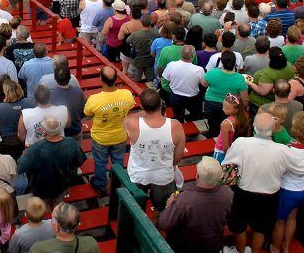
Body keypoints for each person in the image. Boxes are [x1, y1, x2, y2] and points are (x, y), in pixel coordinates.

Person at [221, 112, 304, 253]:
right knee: (260, 228)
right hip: (269, 195)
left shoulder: (241, 143)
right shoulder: (283, 150)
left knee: (239, 226)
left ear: (254, 127)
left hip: (245, 192)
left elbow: (227, 166)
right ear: (272, 129)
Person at [157, 157, 232, 253]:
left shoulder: (184, 200)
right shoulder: (228, 194)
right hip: (212, 249)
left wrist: (169, 205)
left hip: (184, 252)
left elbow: (164, 223)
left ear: (197, 176)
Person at [124, 87, 184, 210]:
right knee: (161, 207)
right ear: (160, 104)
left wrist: (145, 110)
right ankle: (157, 224)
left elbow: (128, 118)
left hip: (138, 173)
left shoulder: (132, 124)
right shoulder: (175, 125)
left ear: (142, 106)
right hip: (163, 173)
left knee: (135, 207)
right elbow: (178, 155)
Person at [271, 113, 304, 253]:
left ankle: (275, 248)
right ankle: (286, 246)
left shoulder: (290, 151)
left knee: (279, 221)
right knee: (292, 217)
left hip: (289, 190)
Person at [83, 67, 134, 195]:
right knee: (118, 162)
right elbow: (130, 107)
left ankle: (101, 185)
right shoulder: (127, 94)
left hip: (101, 138)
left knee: (100, 163)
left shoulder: (94, 99)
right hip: (119, 136)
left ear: (101, 79)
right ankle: (116, 184)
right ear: (116, 79)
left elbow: (87, 113)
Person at [17, 116, 83, 208]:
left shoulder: (35, 149)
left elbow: (20, 168)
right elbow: (79, 162)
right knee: (58, 206)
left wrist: (24, 154)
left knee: (45, 208)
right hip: (63, 184)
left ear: (43, 132)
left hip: (41, 188)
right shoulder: (72, 143)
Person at [22, 203, 101, 253]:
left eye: (52, 218)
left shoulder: (37, 249)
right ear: (77, 226)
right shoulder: (91, 244)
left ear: (56, 227)